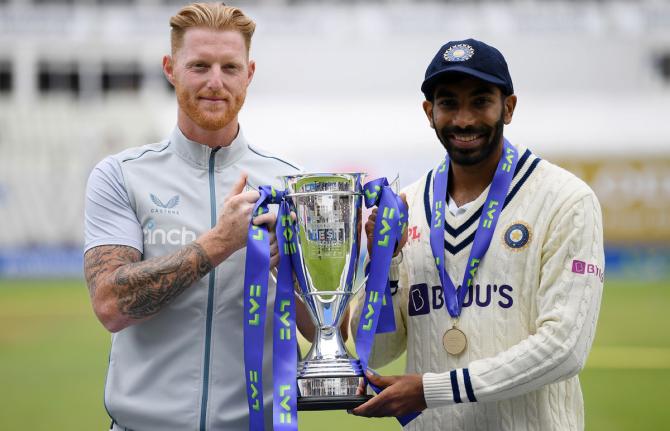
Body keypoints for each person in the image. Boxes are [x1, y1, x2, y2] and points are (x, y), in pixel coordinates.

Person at [350, 38, 604, 431]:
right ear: (429, 112)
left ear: (509, 107)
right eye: (449, 103)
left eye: (481, 101)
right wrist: (386, 262)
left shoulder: (565, 199)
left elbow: (564, 349)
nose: (464, 120)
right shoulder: (409, 204)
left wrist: (433, 390)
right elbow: (379, 352)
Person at [83, 3, 304, 430]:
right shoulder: (121, 175)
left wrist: (295, 267)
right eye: (199, 66)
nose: (215, 82)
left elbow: (327, 329)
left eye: (230, 67)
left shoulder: (290, 184)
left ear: (250, 73)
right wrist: (220, 242)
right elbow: (110, 303)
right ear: (171, 68)